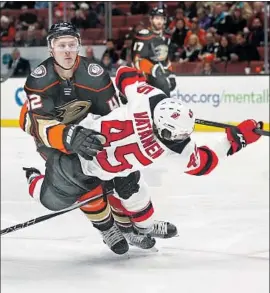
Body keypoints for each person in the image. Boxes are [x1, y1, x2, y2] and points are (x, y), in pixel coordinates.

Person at [26, 66, 264, 238]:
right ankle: (32, 178)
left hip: (99, 153)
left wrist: (146, 79)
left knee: (135, 193)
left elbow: (124, 74)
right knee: (52, 197)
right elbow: (205, 164)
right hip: (79, 159)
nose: (184, 138)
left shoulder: (148, 99)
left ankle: (143, 227)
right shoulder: (176, 149)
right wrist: (237, 139)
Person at [20, 22, 177, 255]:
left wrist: (142, 123)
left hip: (90, 131)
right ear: (50, 48)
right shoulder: (38, 79)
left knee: (122, 172)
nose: (66, 51)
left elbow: (115, 117)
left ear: (79, 46)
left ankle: (133, 226)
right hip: (55, 140)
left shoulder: (95, 75)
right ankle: (106, 227)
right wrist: (68, 136)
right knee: (79, 180)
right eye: (60, 45)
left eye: (71, 45)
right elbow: (37, 124)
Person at [131, 7, 176, 97]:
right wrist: (153, 69)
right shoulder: (144, 35)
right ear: (151, 19)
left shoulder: (166, 36)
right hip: (144, 78)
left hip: (161, 75)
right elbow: (136, 60)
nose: (159, 21)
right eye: (156, 18)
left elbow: (165, 58)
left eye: (161, 18)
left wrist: (171, 74)